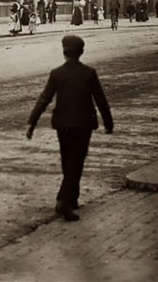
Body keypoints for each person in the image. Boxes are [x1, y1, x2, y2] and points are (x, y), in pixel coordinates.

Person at [27, 34, 113, 222]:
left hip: (62, 124)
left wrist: (32, 123)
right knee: (77, 161)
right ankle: (64, 200)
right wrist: (108, 122)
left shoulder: (56, 73)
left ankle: (70, 198)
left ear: (64, 52)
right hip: (83, 124)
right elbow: (101, 100)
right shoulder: (89, 73)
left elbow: (44, 98)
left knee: (67, 160)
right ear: (81, 52)